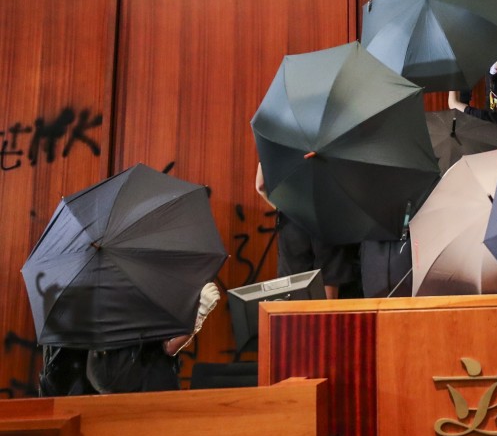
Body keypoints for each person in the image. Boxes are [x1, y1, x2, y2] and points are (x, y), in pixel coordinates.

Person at [39, 283, 220, 395]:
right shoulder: (150, 290)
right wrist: (201, 314)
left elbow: (169, 346)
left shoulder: (94, 289)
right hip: (131, 385)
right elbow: (170, 347)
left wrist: (200, 314)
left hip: (107, 384)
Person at [255, 163, 361, 300]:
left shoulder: (282, 142)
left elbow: (261, 185)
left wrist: (284, 208)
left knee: (292, 293)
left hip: (292, 219)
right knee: (328, 296)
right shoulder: (334, 142)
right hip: (331, 217)